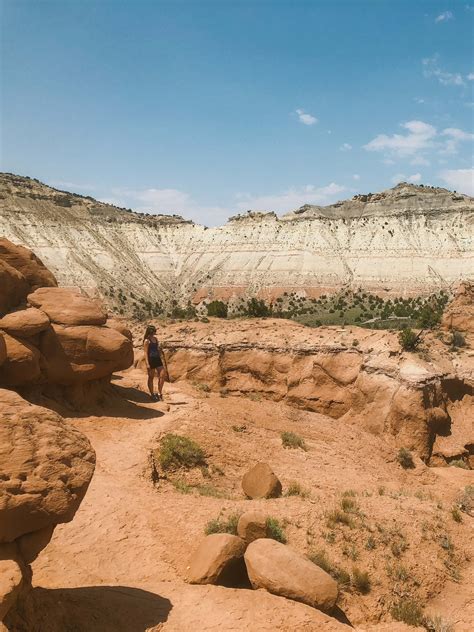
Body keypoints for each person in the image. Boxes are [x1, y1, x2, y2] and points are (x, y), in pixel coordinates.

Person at [143, 325, 167, 401]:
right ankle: (152, 394)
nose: (154, 333)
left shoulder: (156, 339)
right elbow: (145, 352)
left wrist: (160, 353)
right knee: (151, 377)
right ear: (150, 332)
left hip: (157, 359)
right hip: (151, 360)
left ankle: (160, 393)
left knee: (162, 375)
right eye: (153, 331)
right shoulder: (147, 341)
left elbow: (157, 349)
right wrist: (147, 363)